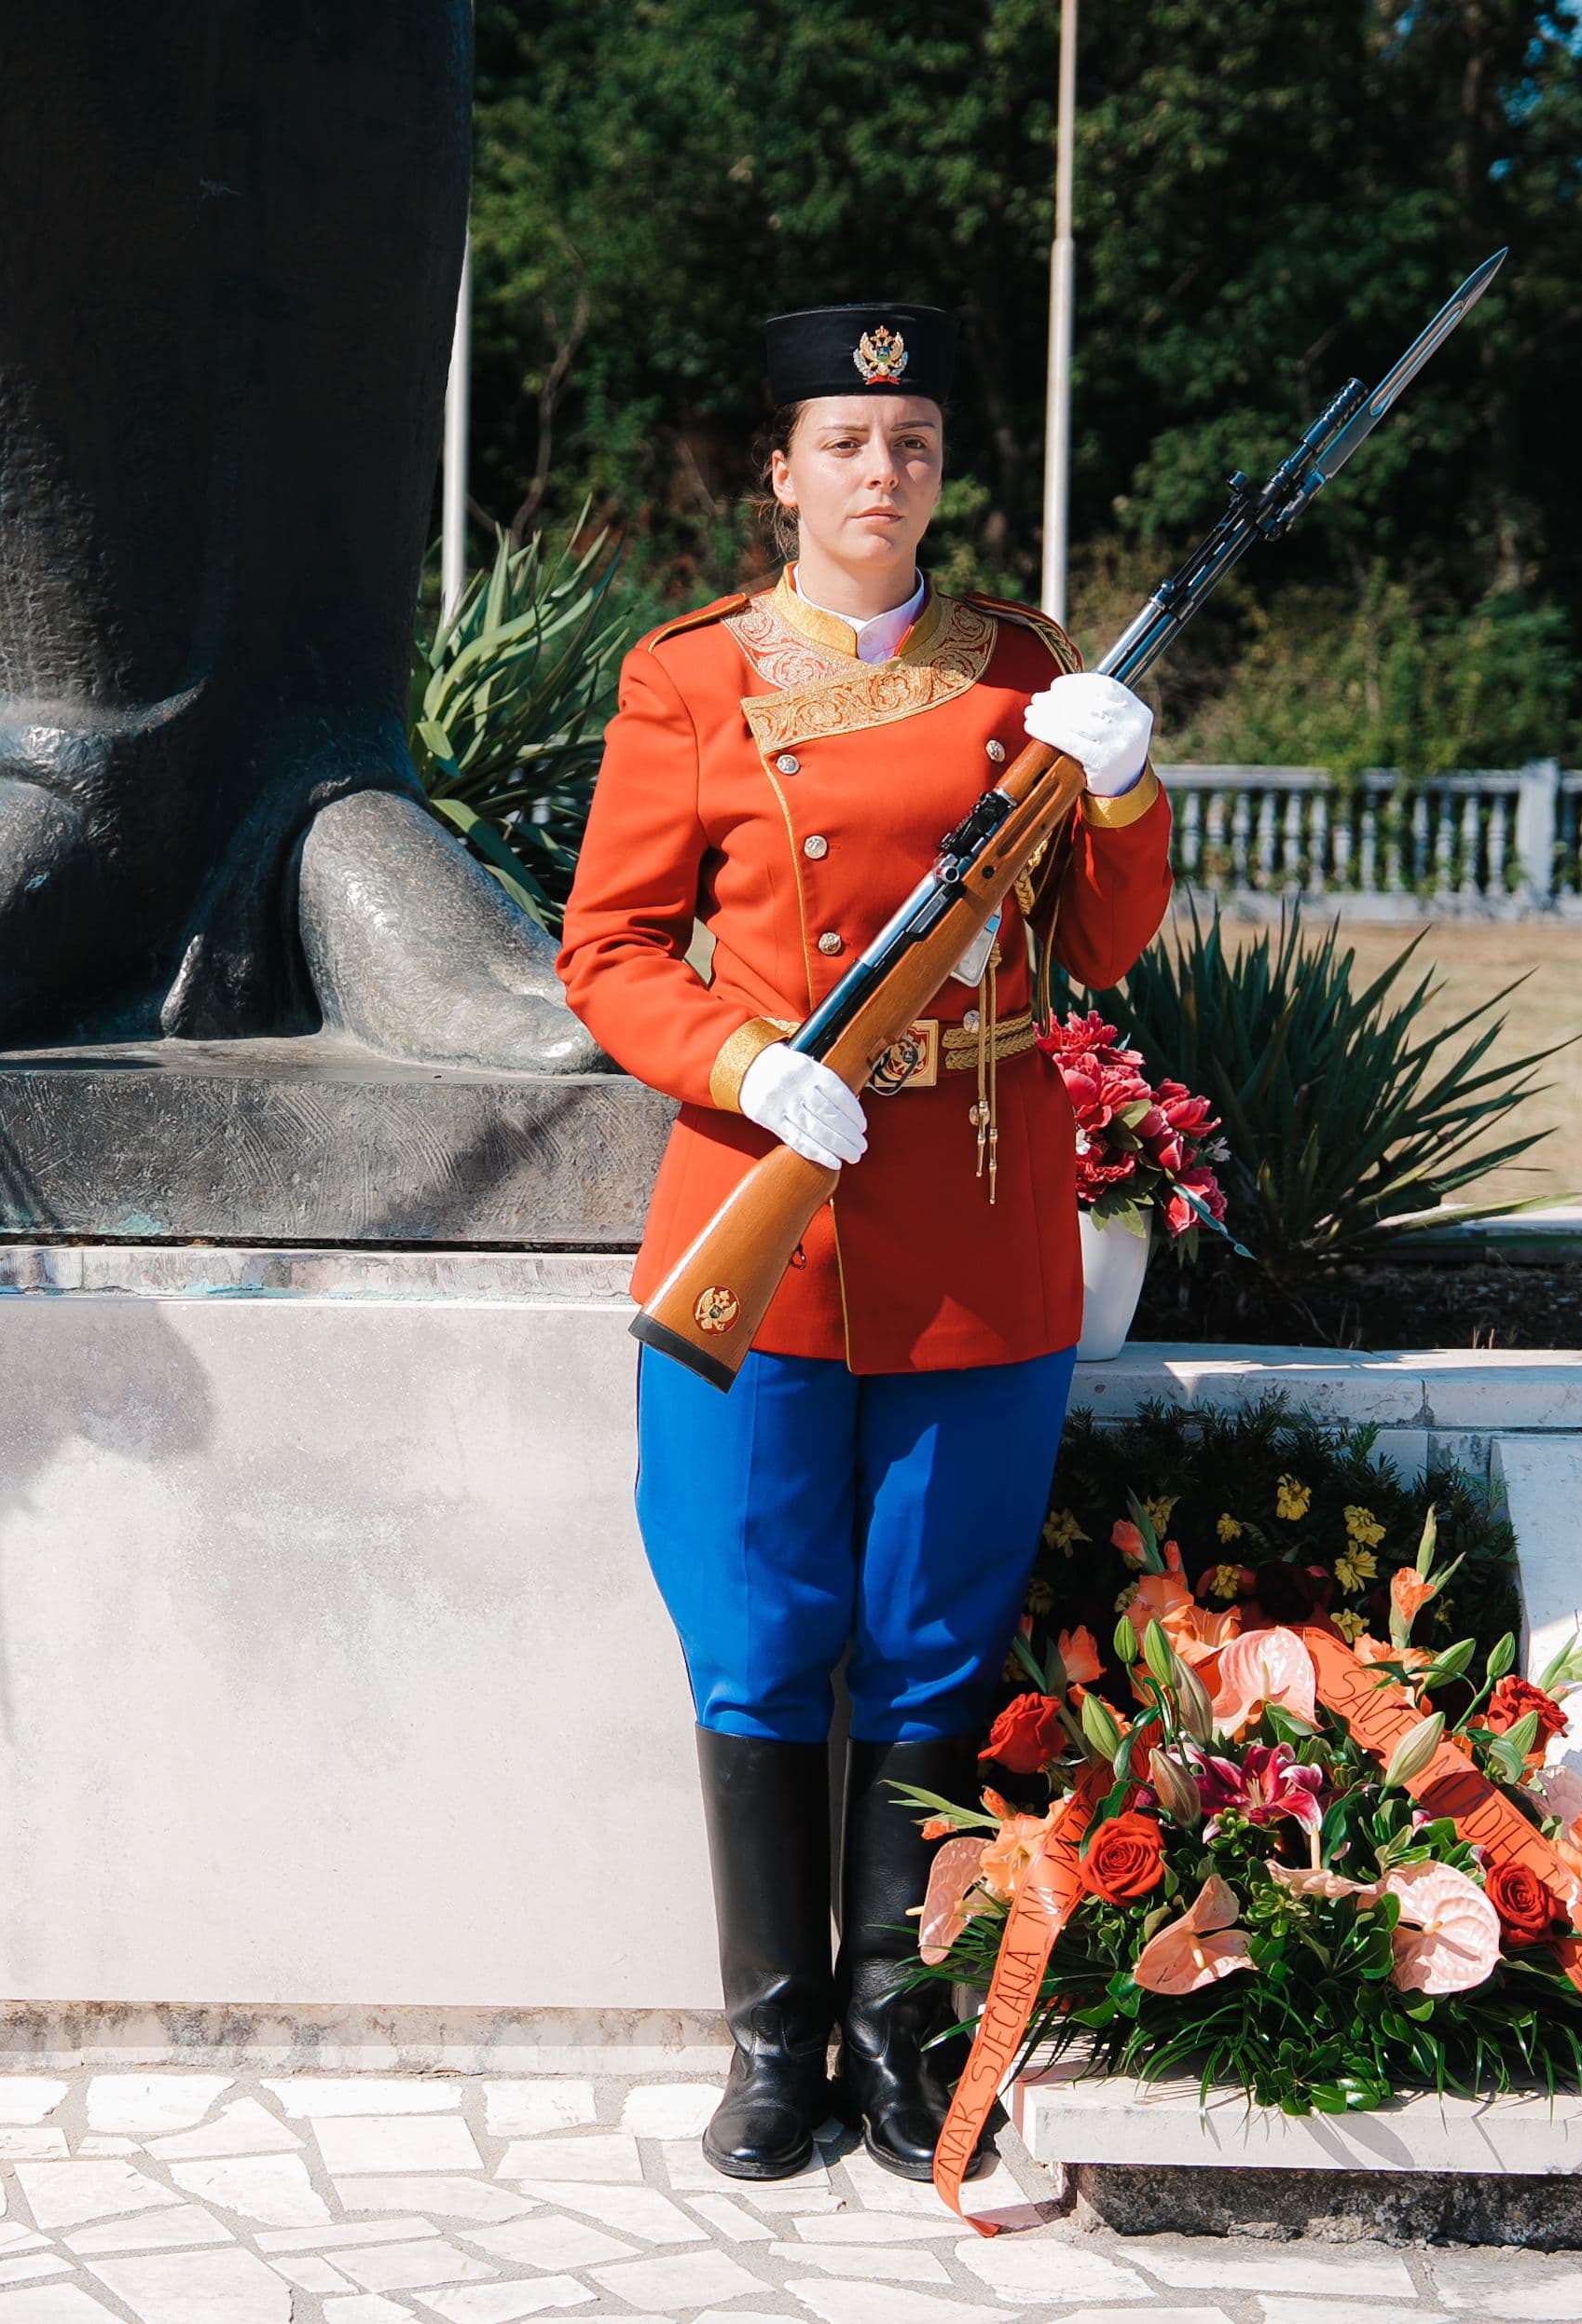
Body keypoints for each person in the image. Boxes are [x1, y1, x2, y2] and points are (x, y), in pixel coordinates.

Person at [554, 304, 1171, 2181]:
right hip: (769, 1207)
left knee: (929, 1637)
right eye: (842, 441)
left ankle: (900, 2024)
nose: (879, 472)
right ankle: (772, 2039)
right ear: (781, 472)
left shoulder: (1023, 668)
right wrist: (745, 1059)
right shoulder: (689, 676)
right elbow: (608, 950)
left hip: (973, 1206)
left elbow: (1104, 941)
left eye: (909, 442)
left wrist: (1125, 785)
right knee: (757, 1633)